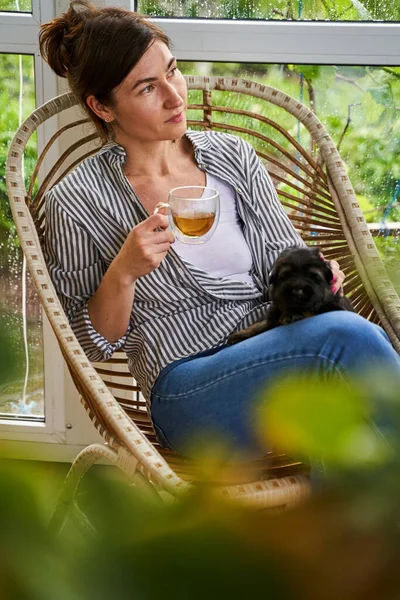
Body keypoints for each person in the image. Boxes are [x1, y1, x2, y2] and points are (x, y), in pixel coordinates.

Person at [39, 1, 400, 463]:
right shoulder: (76, 198)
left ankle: (350, 532)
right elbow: (89, 345)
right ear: (102, 107)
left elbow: (284, 256)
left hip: (279, 349)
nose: (175, 96)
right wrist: (124, 273)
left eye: (174, 71)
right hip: (188, 390)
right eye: (148, 88)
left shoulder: (233, 156)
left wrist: (322, 276)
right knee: (350, 340)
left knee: (344, 396)